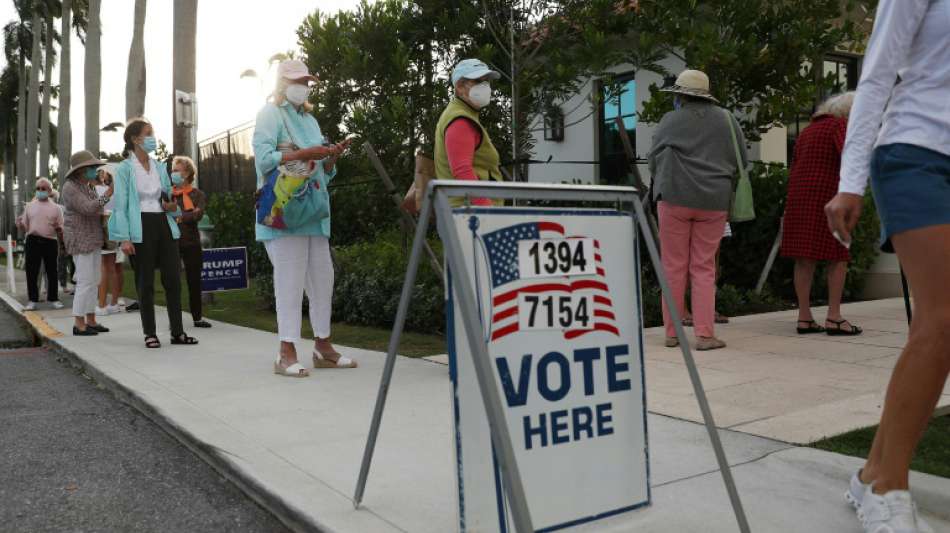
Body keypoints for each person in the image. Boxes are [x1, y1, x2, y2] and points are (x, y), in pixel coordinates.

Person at [825, 1, 950, 532]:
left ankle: (871, 473)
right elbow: (876, 75)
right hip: (916, 152)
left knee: (936, 327)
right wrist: (850, 182)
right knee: (943, 319)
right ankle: (887, 487)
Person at [252, 59, 353, 377]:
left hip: (313, 213)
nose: (303, 87)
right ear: (282, 84)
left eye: (306, 82)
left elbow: (323, 173)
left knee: (323, 281)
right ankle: (286, 353)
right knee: (290, 283)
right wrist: (303, 154)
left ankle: (323, 347)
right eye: (297, 81)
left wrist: (331, 158)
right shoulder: (269, 113)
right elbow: (263, 159)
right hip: (284, 214)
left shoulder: (310, 119)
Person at [648, 69, 747, 351]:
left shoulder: (670, 120)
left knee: (673, 266)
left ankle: (673, 334)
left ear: (680, 95)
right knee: (704, 267)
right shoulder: (727, 119)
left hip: (674, 197)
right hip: (714, 201)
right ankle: (705, 335)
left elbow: (653, 160)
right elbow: (741, 159)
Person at [108, 117, 198, 349]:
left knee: (173, 279)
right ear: (135, 138)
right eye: (148, 133)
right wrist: (124, 238)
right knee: (145, 282)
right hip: (140, 226)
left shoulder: (159, 166)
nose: (152, 137)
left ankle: (177, 332)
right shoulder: (125, 169)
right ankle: (150, 333)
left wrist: (171, 205)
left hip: (163, 223)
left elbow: (168, 195)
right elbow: (121, 205)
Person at [781, 92, 862, 337]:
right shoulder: (839, 126)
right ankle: (834, 317)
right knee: (838, 255)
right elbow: (850, 157)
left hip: (799, 199)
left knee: (804, 258)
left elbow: (794, 166)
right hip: (828, 197)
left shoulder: (807, 131)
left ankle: (804, 317)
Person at [434, 58, 504, 207]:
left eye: (487, 81)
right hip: (470, 213)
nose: (485, 86)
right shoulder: (460, 120)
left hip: (468, 211)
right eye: (478, 81)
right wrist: (487, 210)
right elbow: (462, 171)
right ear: (459, 86)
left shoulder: (463, 114)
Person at [61, 151, 112, 336]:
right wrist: (108, 194)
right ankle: (78, 323)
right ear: (81, 170)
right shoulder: (70, 187)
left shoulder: (86, 186)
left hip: (92, 238)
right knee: (84, 281)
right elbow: (88, 208)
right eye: (92, 167)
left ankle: (90, 320)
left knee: (93, 280)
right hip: (80, 239)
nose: (95, 170)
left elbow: (94, 208)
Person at [171, 155, 211, 328]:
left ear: (187, 173)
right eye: (172, 170)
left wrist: (178, 216)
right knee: (173, 283)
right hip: (171, 242)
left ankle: (197, 317)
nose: (173, 173)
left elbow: (197, 215)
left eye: (176, 170)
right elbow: (166, 215)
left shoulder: (198, 194)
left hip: (192, 242)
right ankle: (175, 319)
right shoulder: (168, 194)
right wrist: (185, 215)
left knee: (194, 281)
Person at [16, 177, 64, 311]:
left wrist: (59, 230)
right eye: (38, 188)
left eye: (43, 188)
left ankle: (54, 299)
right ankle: (32, 300)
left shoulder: (56, 208)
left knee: (52, 271)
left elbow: (61, 227)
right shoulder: (29, 206)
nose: (40, 190)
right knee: (32, 272)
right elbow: (25, 226)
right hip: (33, 240)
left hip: (50, 241)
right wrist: (20, 225)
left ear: (49, 191)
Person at [95, 166, 125, 315]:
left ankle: (102, 305)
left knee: (104, 266)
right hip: (116, 224)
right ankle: (114, 303)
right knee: (113, 266)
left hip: (104, 224)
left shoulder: (97, 190)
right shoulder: (115, 190)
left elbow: (95, 206)